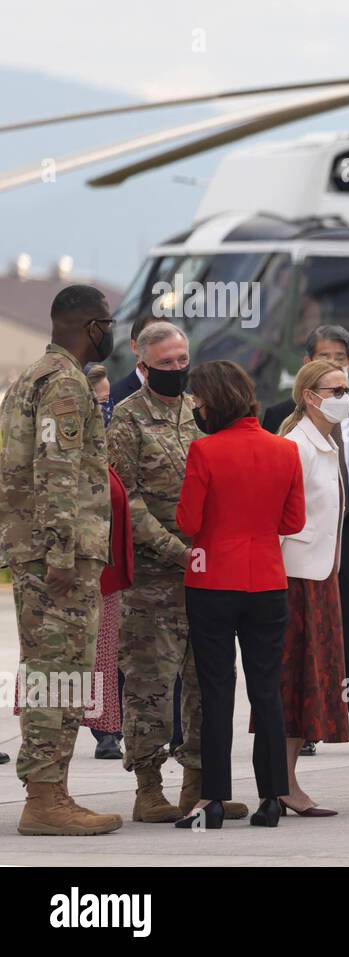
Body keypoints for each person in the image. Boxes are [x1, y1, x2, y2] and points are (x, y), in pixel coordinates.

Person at [109, 321, 250, 823]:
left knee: (205, 680)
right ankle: (148, 788)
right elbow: (127, 502)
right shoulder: (125, 422)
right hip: (153, 581)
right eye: (165, 362)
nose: (176, 369)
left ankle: (198, 784)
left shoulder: (200, 414)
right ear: (142, 365)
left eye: (181, 360)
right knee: (150, 684)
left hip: (208, 574)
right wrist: (176, 550)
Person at [0, 284, 121, 835]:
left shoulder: (33, 376)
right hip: (59, 559)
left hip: (44, 552)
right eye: (108, 321)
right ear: (89, 324)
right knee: (58, 674)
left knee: (63, 672)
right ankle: (45, 800)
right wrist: (61, 551)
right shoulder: (66, 383)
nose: (111, 331)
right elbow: (56, 470)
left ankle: (55, 793)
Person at [175, 360, 306, 829]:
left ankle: (213, 797)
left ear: (214, 402)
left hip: (212, 581)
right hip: (267, 582)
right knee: (267, 690)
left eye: (200, 400)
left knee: (216, 690)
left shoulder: (204, 451)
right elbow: (293, 523)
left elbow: (188, 523)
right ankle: (272, 796)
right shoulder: (284, 450)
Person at [263, 326, 349, 756]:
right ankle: (301, 729)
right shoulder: (278, 420)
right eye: (325, 356)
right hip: (303, 541)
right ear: (308, 365)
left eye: (341, 356)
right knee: (303, 634)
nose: (335, 362)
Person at [272, 359, 349, 816]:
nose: (344, 397)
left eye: (347, 388)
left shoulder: (324, 440)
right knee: (294, 681)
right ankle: (282, 782)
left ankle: (285, 780)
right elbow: (280, 519)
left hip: (321, 576)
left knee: (311, 681)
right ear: (310, 396)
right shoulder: (294, 445)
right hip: (295, 577)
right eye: (334, 389)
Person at [84, 364, 125, 761]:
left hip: (107, 566)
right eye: (97, 404)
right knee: (53, 656)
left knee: (105, 652)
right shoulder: (60, 447)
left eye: (107, 404)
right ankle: (43, 732)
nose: (104, 412)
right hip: (66, 565)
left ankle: (106, 728)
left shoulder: (113, 444)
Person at [106, 313, 167, 416]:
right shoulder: (113, 398)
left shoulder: (189, 397)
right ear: (135, 347)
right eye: (152, 339)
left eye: (167, 338)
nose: (161, 345)